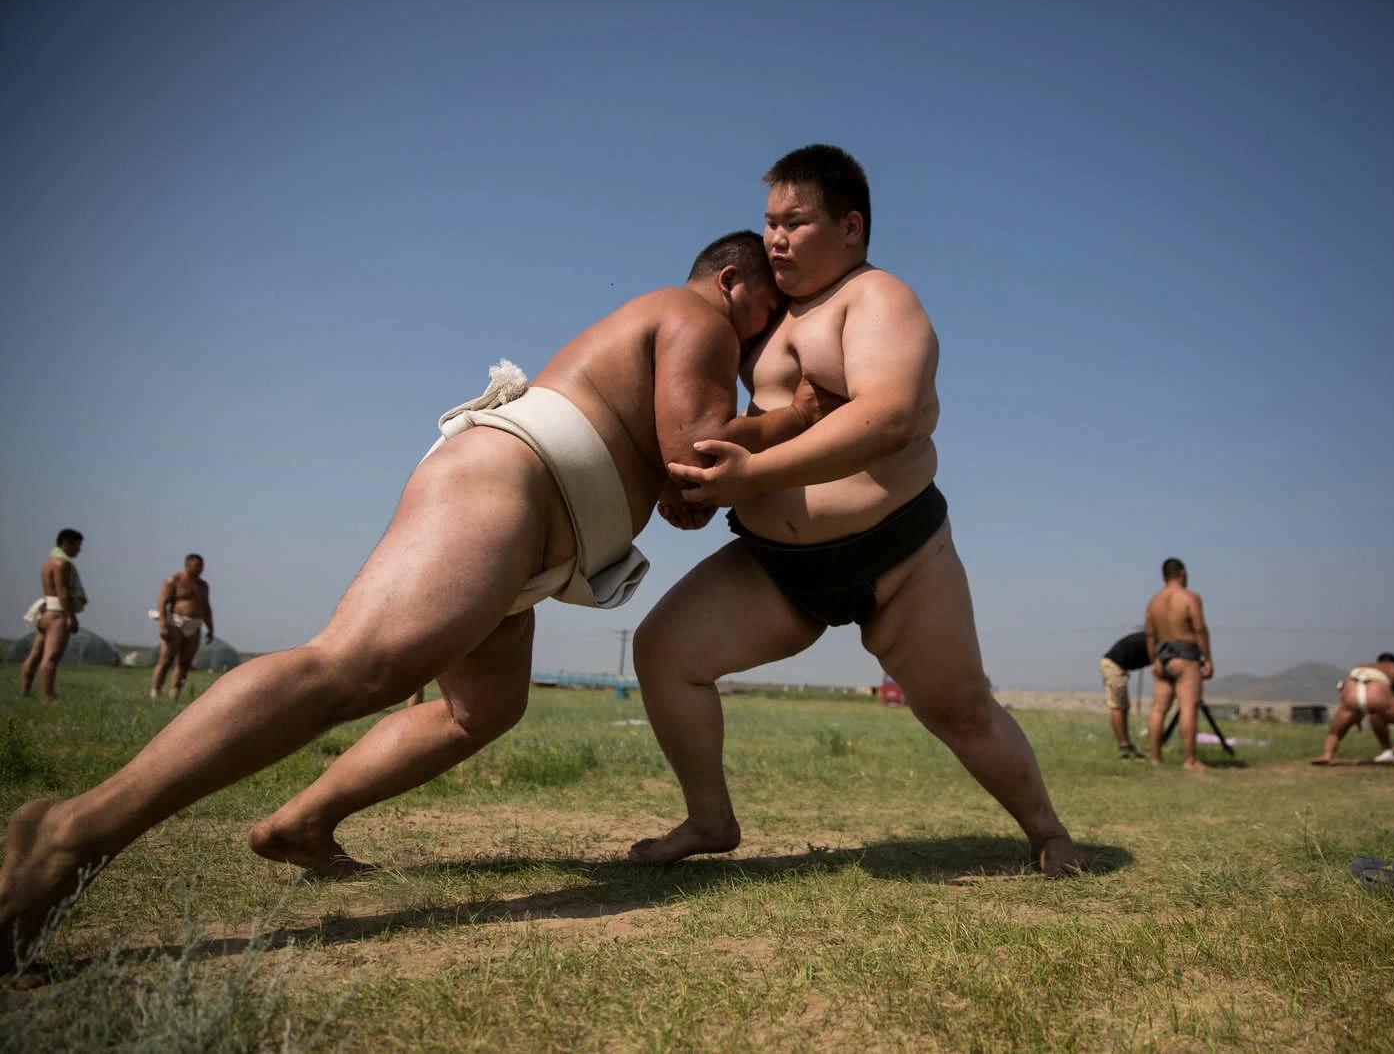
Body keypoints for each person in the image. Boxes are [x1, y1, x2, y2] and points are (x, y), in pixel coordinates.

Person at [1, 230, 814, 972]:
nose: (759, 342)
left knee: (481, 708)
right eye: (766, 315)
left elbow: (683, 479)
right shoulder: (697, 312)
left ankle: (302, 822)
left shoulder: (691, 330)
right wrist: (793, 419)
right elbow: (694, 454)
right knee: (355, 664)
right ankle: (70, 834)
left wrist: (694, 480)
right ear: (732, 278)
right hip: (508, 491)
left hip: (536, 542)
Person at [626, 145, 1086, 877]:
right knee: (663, 653)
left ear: (850, 226)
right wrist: (704, 478)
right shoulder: (765, 327)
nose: (775, 238)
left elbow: (890, 417)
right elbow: (765, 425)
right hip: (778, 568)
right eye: (769, 223)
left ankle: (1048, 831)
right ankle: (709, 818)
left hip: (901, 558)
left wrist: (752, 471)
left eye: (795, 222)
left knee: (959, 709)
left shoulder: (878, 299)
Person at [1143, 557, 1213, 770]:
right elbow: (1199, 628)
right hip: (1185, 658)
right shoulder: (1189, 598)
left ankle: (1155, 758)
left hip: (1161, 658)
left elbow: (1149, 635)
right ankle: (1190, 760)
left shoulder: (1153, 602)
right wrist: (1207, 657)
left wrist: (1154, 661)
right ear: (1182, 573)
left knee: (1158, 709)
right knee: (1188, 707)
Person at [1310, 653, 1394, 765]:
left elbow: (1344, 690)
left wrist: (1356, 715)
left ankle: (1327, 754)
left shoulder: (1361, 666)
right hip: (1377, 696)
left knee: (1334, 732)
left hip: (1351, 697)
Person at [18, 530, 87, 703]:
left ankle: (25, 691)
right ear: (66, 543)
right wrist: (71, 616)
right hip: (57, 615)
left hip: (46, 612)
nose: (79, 550)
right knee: (51, 658)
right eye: (77, 545)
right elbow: (62, 591)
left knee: (35, 655)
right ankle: (49, 697)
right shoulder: (61, 563)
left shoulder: (48, 562)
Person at [149, 554, 215, 701]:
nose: (201, 568)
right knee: (166, 659)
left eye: (202, 565)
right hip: (176, 623)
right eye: (197, 565)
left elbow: (206, 607)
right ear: (187, 565)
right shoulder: (174, 581)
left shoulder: (203, 585)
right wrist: (163, 625)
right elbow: (162, 603)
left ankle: (175, 693)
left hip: (195, 625)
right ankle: (155, 691)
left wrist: (210, 628)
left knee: (185, 661)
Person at [1099, 631, 1149, 758]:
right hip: (1114, 666)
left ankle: (1126, 744)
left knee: (1123, 706)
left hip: (1117, 666)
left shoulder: (1151, 637)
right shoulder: (1156, 640)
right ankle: (1124, 745)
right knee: (1118, 706)